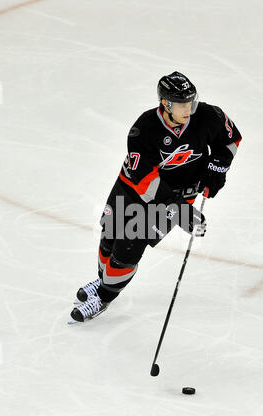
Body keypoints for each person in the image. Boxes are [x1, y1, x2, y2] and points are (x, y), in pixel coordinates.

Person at [68, 71, 242, 324]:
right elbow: (145, 180)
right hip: (133, 187)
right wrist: (181, 210)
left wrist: (220, 165)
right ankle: (104, 278)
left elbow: (231, 138)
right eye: (182, 103)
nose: (189, 108)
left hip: (178, 196)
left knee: (128, 247)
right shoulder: (144, 128)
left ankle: (104, 296)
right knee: (110, 236)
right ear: (165, 103)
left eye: (191, 101)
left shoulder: (207, 116)